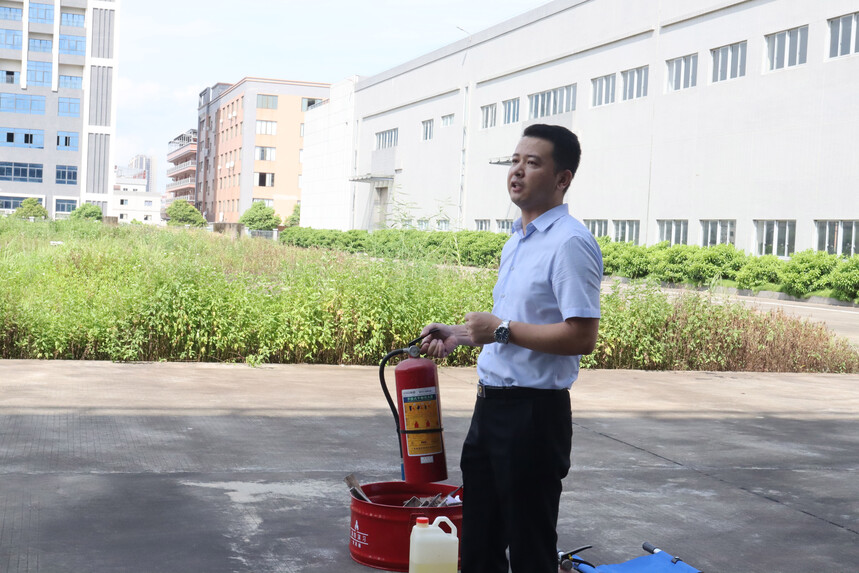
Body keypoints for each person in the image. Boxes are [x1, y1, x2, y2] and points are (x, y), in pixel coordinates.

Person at [420, 124, 603, 573]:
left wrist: (500, 330)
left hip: (534, 417)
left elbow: (582, 336)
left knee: (529, 547)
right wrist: (458, 333)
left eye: (533, 162)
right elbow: (511, 328)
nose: (517, 171)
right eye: (515, 161)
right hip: (490, 411)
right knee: (478, 543)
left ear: (563, 179)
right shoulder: (516, 242)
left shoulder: (571, 243)